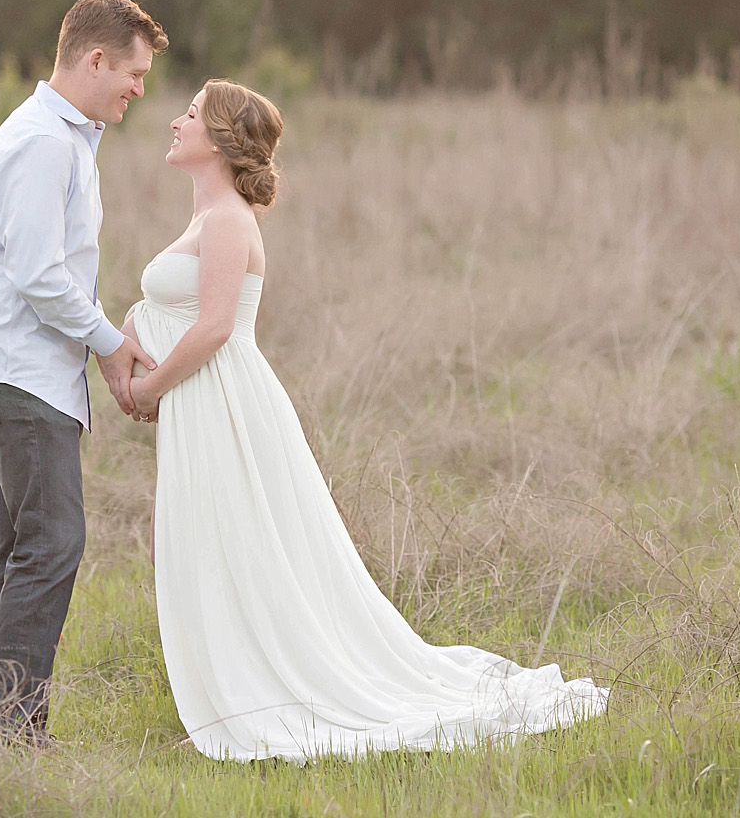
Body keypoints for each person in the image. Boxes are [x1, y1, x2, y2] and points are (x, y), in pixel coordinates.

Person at [120, 79, 609, 762]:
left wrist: (149, 391)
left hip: (225, 401)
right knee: (215, 544)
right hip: (199, 402)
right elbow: (173, 312)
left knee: (242, 542)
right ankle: (233, 671)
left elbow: (214, 329)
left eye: (192, 115)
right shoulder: (205, 219)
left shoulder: (229, 219)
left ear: (222, 140)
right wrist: (128, 349)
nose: (175, 122)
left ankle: (268, 685)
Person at [0, 0, 166, 744]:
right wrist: (107, 344)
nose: (140, 88)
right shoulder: (43, 141)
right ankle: (11, 731)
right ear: (95, 59)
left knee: (13, 547)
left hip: (19, 369)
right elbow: (40, 276)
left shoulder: (64, 138)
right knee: (52, 542)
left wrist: (96, 352)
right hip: (20, 371)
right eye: (133, 72)